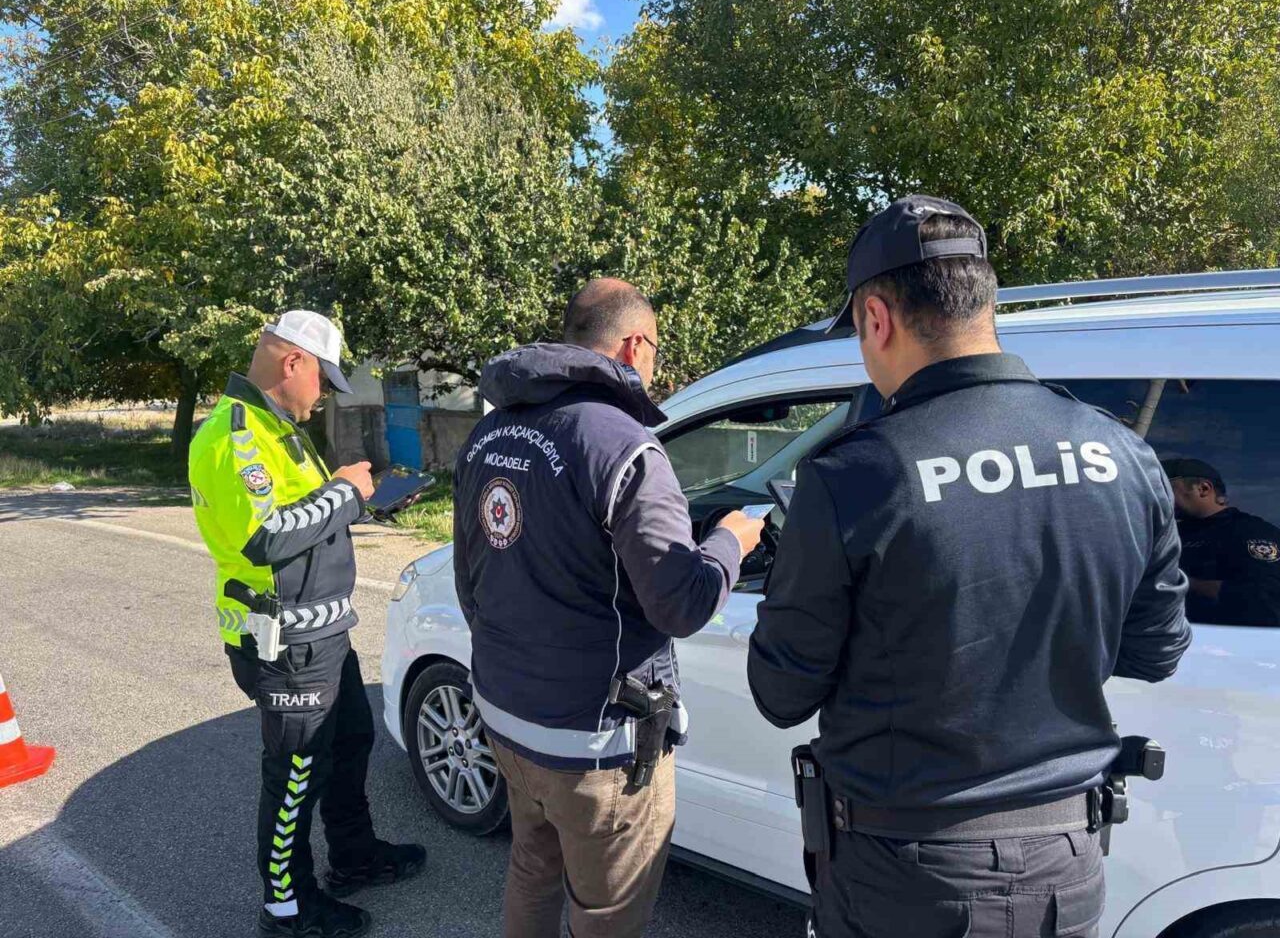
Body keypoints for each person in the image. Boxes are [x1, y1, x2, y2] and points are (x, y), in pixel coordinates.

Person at [747, 196, 1192, 938]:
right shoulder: (1122, 452)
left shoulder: (856, 475)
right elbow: (1157, 650)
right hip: (1066, 864)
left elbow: (781, 691)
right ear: (983, 301)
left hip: (905, 875)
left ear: (876, 319)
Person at [452, 278, 765, 938]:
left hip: (507, 718)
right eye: (655, 350)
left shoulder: (488, 434)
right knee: (607, 913)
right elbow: (682, 603)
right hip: (596, 745)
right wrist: (730, 542)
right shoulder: (623, 445)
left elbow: (469, 582)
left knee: (533, 867)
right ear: (633, 345)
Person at [188, 310, 424, 938]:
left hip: (322, 632)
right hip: (283, 642)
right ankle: (287, 906)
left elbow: (307, 521)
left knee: (350, 744)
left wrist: (365, 502)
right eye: (324, 380)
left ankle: (353, 855)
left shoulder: (279, 429)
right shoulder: (235, 435)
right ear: (293, 362)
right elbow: (266, 536)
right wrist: (347, 492)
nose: (325, 397)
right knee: (296, 776)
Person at [1162, 457, 1280, 626]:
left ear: (1203, 489)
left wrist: (1183, 583)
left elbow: (1266, 597)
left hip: (1227, 637)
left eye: (1163, 488)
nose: (1156, 497)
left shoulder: (1251, 532)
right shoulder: (1165, 536)